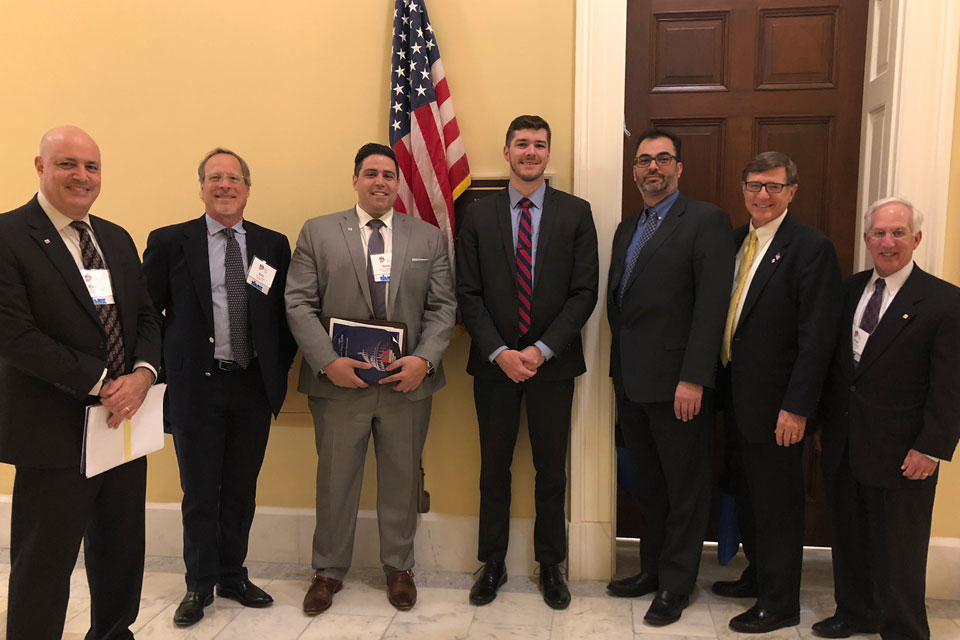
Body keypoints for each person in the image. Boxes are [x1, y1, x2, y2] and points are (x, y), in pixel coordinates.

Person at [0, 125, 161, 640]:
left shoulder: (114, 237)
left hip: (123, 425)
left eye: (91, 166)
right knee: (44, 562)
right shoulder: (8, 236)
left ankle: (114, 633)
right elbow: (14, 334)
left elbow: (146, 318)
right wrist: (101, 382)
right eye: (67, 164)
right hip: (53, 430)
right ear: (40, 167)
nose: (82, 176)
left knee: (120, 551)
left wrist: (141, 375)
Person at [286, 142, 456, 615]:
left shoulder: (427, 238)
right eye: (370, 174)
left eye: (388, 175)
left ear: (399, 183)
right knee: (336, 479)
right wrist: (326, 360)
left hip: (407, 384)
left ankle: (399, 567)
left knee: (402, 478)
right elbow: (298, 303)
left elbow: (443, 306)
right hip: (339, 385)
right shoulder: (318, 232)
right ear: (355, 179)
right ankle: (327, 572)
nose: (380, 182)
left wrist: (424, 359)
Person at [142, 148, 297, 626]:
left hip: (252, 387)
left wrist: (274, 367)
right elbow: (149, 315)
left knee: (241, 489)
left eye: (234, 178)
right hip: (196, 389)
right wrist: (163, 371)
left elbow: (282, 319)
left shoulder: (273, 245)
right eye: (215, 178)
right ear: (202, 187)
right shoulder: (171, 241)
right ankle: (198, 583)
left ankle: (233, 574)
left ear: (247, 189)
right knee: (200, 491)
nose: (225, 185)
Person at [456, 115, 599, 610]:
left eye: (539, 144)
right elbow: (467, 294)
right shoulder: (477, 214)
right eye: (522, 144)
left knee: (550, 470)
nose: (531, 152)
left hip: (552, 367)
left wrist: (539, 350)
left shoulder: (576, 213)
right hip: (493, 365)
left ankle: (550, 565)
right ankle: (491, 562)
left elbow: (584, 293)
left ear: (548, 153)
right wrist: (501, 352)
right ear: (507, 151)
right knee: (493, 468)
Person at [814, 197, 960, 640]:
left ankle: (904, 629)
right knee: (850, 538)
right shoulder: (847, 291)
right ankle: (854, 613)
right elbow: (837, 370)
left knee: (900, 551)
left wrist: (932, 447)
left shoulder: (944, 301)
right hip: (845, 442)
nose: (887, 241)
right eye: (878, 233)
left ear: (916, 239)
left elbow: (950, 384)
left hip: (905, 451)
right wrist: (823, 424)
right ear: (866, 240)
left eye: (898, 233)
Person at [605, 128, 734, 625]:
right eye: (643, 161)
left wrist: (695, 377)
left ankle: (677, 585)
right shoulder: (626, 228)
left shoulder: (705, 221)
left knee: (685, 488)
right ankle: (652, 570)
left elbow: (711, 306)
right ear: (634, 170)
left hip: (681, 384)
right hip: (633, 383)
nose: (652, 168)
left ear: (679, 168)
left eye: (662, 159)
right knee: (650, 486)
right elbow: (623, 305)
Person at [713, 151, 842, 633]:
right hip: (736, 399)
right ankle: (757, 574)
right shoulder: (733, 242)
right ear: (743, 188)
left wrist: (798, 408)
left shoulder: (810, 248)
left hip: (779, 408)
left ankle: (780, 602)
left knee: (778, 506)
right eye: (754, 185)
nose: (762, 195)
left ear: (791, 192)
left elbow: (818, 338)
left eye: (773, 186)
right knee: (747, 496)